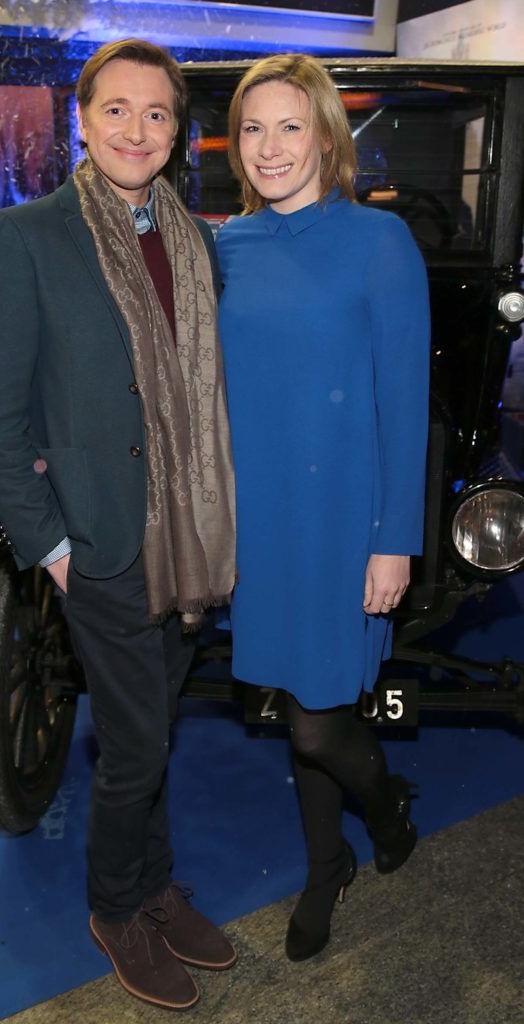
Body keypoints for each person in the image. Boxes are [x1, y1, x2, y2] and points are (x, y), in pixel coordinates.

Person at [0, 39, 237, 1012]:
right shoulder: (27, 237)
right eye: (116, 109)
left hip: (189, 535)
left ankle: (153, 883)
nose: (136, 129)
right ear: (82, 119)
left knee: (154, 727)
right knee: (135, 743)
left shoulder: (195, 242)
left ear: (177, 131)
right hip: (103, 540)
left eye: (156, 113)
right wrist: (55, 550)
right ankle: (115, 905)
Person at [216, 54, 430, 962]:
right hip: (259, 525)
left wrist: (395, 543)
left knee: (317, 717)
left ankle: (380, 810)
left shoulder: (381, 245)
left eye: (290, 126)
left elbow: (404, 403)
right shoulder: (227, 247)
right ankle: (327, 861)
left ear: (327, 137)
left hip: (346, 521)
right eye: (252, 129)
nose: (270, 147)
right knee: (302, 705)